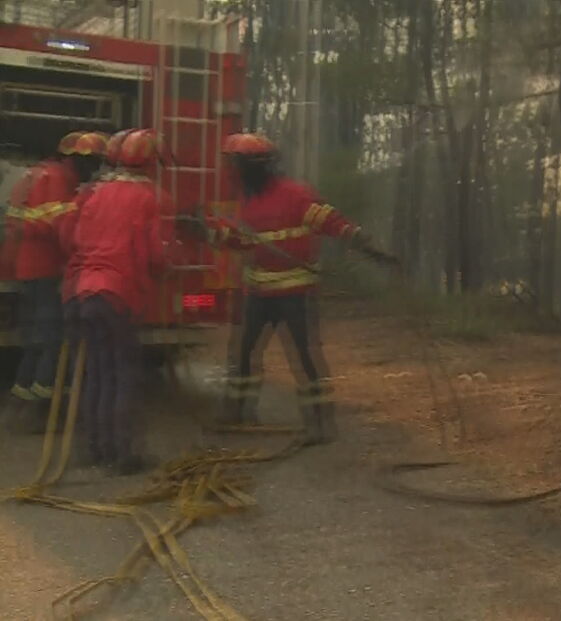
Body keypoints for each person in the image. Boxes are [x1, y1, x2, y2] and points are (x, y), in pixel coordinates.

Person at [189, 132, 396, 445]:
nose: (233, 172)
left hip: (294, 294)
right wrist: (207, 234)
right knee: (243, 354)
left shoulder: (295, 195)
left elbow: (332, 222)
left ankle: (320, 423)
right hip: (258, 294)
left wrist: (365, 244)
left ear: (252, 166)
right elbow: (242, 239)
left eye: (236, 165)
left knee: (305, 357)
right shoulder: (250, 201)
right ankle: (237, 411)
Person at [69, 129, 167, 473]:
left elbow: (76, 238)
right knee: (124, 375)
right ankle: (123, 455)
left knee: (98, 373)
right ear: (150, 161)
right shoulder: (146, 197)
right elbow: (153, 253)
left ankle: (95, 449)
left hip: (86, 291)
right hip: (118, 293)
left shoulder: (95, 192)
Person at [5, 131, 105, 432]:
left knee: (35, 340)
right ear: (77, 160)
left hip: (27, 267)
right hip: (46, 269)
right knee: (51, 340)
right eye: (93, 162)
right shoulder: (60, 180)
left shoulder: (38, 173)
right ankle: (41, 412)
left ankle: (20, 405)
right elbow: (61, 228)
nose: (95, 169)